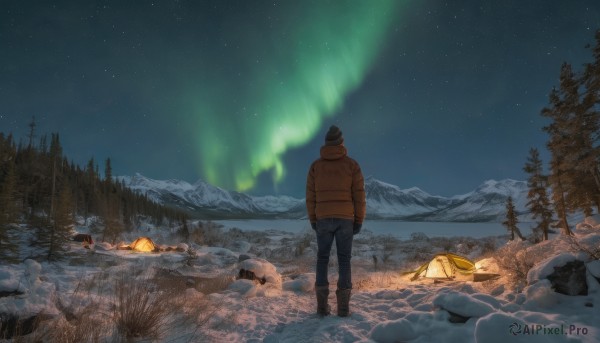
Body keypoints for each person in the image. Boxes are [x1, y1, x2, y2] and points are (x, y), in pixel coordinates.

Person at [306, 125, 366, 317]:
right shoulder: (352, 165)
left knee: (322, 258)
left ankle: (322, 307)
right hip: (346, 219)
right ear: (341, 143)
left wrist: (313, 218)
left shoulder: (316, 166)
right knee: (344, 260)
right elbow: (359, 195)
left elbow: (310, 196)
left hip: (323, 217)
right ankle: (343, 307)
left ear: (326, 143)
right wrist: (359, 219)